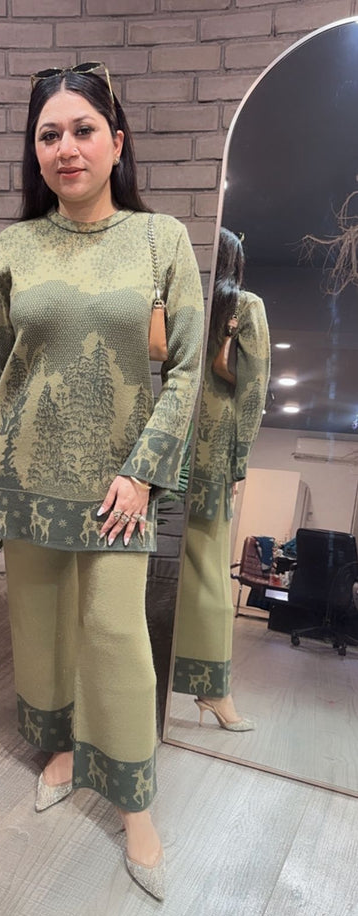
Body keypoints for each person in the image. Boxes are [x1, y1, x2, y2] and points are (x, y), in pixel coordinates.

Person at [0, 62, 204, 900]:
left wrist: (143, 474)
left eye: (83, 130)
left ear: (116, 142)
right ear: (35, 151)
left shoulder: (160, 239)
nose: (66, 147)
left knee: (115, 636)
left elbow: (187, 372)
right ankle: (61, 748)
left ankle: (133, 801)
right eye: (49, 134)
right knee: (41, 625)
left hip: (116, 489)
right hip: (22, 475)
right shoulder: (14, 247)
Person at [173, 227, 270, 728]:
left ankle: (201, 683)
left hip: (172, 449)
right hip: (207, 455)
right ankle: (212, 689)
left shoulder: (192, 306)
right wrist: (238, 462)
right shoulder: (244, 306)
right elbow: (253, 390)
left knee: (184, 570)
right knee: (209, 573)